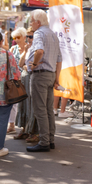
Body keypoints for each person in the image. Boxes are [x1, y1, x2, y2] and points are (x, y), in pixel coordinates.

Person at [26, 9, 62, 152]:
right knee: (48, 110)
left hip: (40, 75)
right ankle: (50, 139)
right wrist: (56, 78)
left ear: (38, 22)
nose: (31, 24)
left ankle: (44, 141)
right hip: (51, 74)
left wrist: (34, 64)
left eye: (31, 21)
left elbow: (39, 51)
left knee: (40, 109)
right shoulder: (53, 34)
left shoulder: (39, 33)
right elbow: (59, 59)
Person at [18, 27, 39, 143]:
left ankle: (34, 131)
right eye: (28, 37)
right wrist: (25, 51)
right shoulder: (28, 48)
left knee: (32, 105)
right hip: (25, 77)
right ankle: (25, 129)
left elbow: (35, 64)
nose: (29, 39)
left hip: (33, 77)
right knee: (24, 104)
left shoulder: (38, 48)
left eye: (31, 36)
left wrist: (29, 66)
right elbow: (21, 64)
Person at [7, 27, 27, 135]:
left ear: (24, 37)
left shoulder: (29, 48)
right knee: (14, 102)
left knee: (25, 103)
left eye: (18, 37)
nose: (16, 39)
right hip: (14, 78)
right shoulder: (13, 49)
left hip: (25, 77)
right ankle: (11, 125)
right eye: (15, 37)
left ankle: (25, 126)